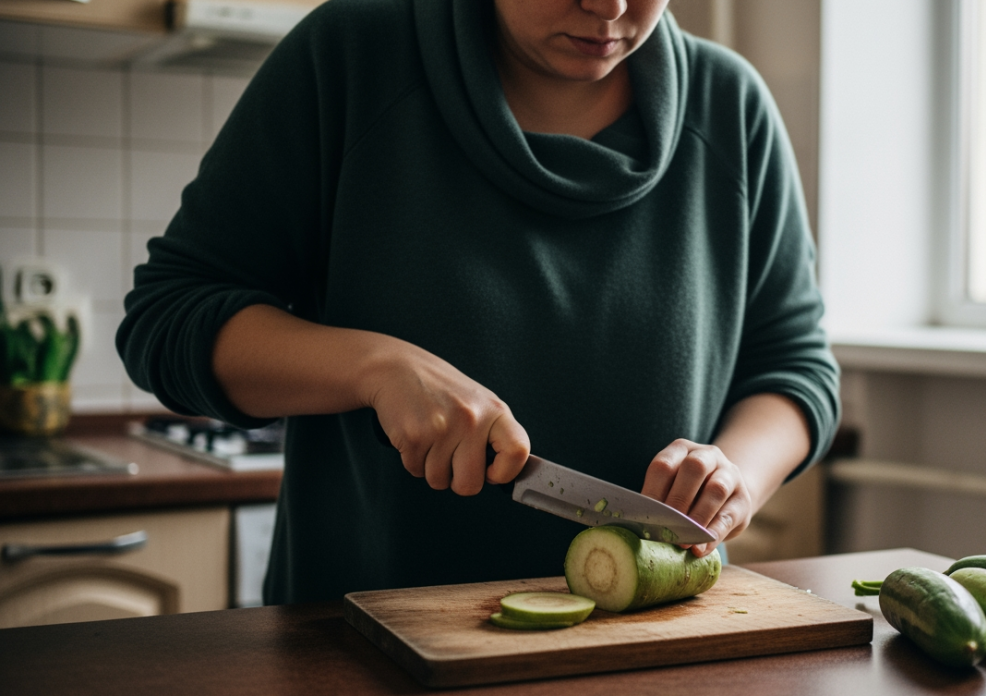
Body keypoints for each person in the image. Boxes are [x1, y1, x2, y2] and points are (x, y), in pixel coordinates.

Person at [117, 0, 840, 605]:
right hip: (360, 644)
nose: (610, 7)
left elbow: (795, 366)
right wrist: (376, 368)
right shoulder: (349, 56)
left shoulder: (732, 106)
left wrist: (734, 474)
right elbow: (169, 316)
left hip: (650, 643)